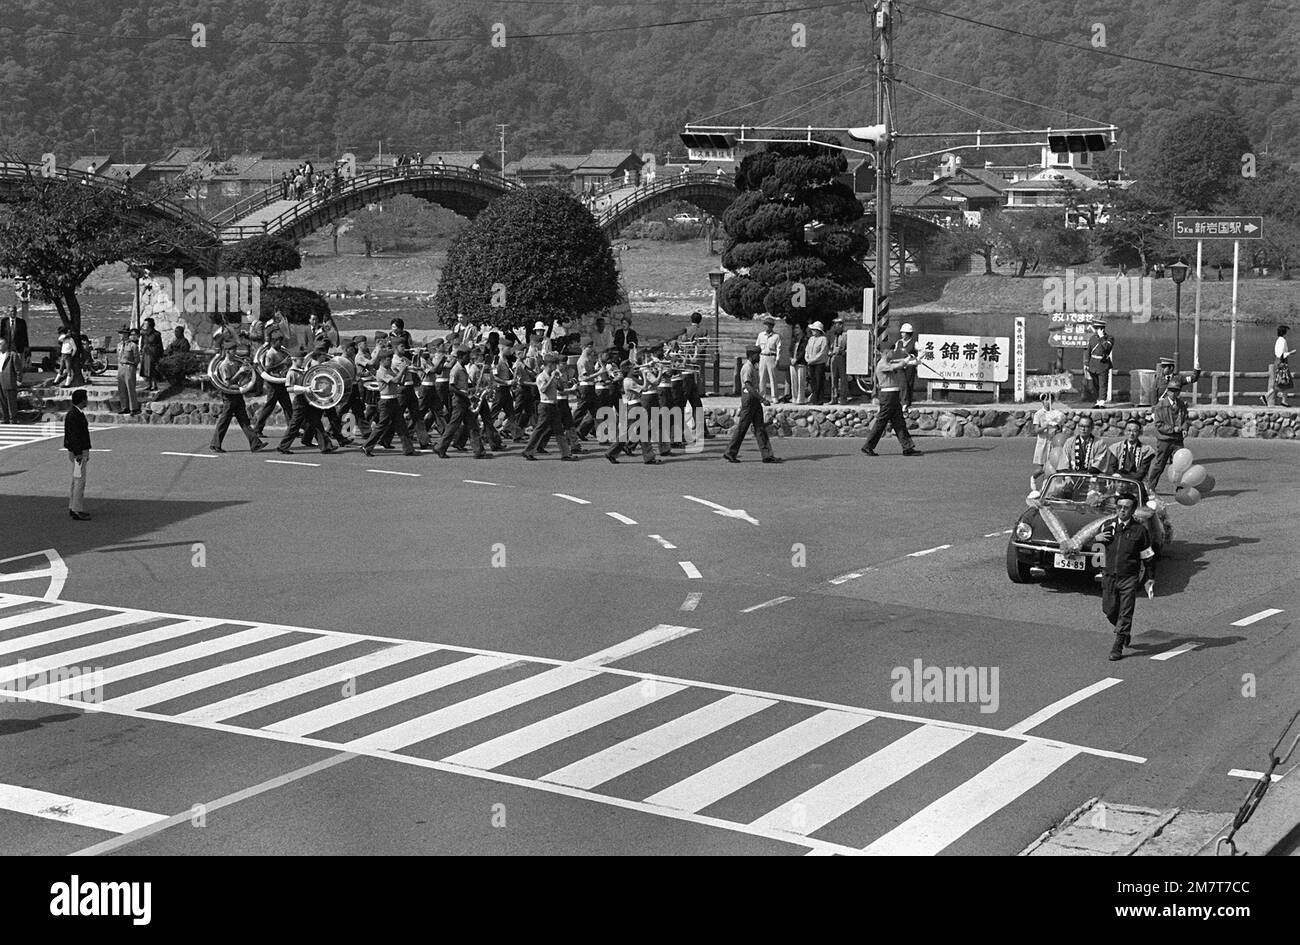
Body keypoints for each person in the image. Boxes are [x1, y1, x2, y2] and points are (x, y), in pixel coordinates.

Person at [1095, 492, 1156, 661]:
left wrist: (1150, 577)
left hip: (1129, 577)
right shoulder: (1107, 525)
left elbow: (1148, 556)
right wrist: (1096, 539)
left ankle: (1118, 644)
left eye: (1126, 508)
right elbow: (1097, 552)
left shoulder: (1139, 530)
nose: (1122, 511)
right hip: (1109, 576)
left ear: (1133, 510)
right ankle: (1124, 630)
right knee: (1109, 610)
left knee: (1125, 612)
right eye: (1119, 507)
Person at [724, 346, 781, 464]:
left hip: (754, 399)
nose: (759, 357)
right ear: (751, 355)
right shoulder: (747, 368)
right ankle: (730, 452)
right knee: (742, 428)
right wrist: (762, 399)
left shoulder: (753, 367)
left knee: (760, 428)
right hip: (749, 400)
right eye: (757, 355)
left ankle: (767, 455)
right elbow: (748, 386)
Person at [861, 348, 922, 457]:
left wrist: (914, 361)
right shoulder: (882, 364)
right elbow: (898, 365)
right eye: (891, 352)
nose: (893, 354)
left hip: (893, 396)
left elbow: (900, 364)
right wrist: (908, 359)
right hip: (887, 396)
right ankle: (868, 446)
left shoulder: (887, 363)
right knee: (881, 422)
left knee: (899, 423)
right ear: (886, 353)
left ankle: (907, 447)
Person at [436, 345, 490, 459]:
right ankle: (440, 447)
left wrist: (471, 393)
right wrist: (464, 394)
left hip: (464, 401)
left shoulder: (462, 368)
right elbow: (451, 387)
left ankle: (479, 451)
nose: (469, 359)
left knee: (473, 426)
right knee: (453, 426)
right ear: (460, 356)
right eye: (467, 356)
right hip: (459, 401)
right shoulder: (456, 369)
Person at [362, 347, 416, 457]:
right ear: (381, 361)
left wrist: (404, 372)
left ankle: (408, 449)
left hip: (394, 399)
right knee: (381, 425)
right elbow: (395, 380)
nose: (390, 361)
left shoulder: (389, 370)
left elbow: (399, 382)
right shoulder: (381, 372)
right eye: (388, 359)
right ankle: (367, 446)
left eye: (390, 359)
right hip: (386, 401)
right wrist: (402, 370)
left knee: (401, 425)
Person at [523, 353, 576, 461]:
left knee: (559, 430)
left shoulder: (554, 375)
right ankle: (528, 451)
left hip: (554, 405)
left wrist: (558, 379)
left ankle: (565, 454)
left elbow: (560, 389)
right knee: (539, 430)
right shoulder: (541, 377)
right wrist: (552, 378)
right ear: (549, 365)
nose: (556, 367)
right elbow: (543, 389)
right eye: (554, 365)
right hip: (545, 405)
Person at [209, 359, 267, 453]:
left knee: (244, 420)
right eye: (233, 350)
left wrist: (247, 372)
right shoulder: (224, 365)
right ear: (227, 351)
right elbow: (228, 383)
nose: (235, 352)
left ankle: (255, 444)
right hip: (229, 395)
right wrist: (239, 371)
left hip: (237, 393)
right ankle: (215, 445)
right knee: (225, 420)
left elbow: (238, 380)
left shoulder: (235, 363)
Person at [1146, 376, 1189, 494]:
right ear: (1168, 391)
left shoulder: (1182, 405)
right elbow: (1159, 425)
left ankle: (1180, 487)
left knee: (1181, 465)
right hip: (1164, 440)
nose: (1174, 393)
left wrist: (1185, 428)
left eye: (1177, 391)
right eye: (1172, 391)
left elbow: (1186, 419)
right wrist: (1172, 429)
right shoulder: (1160, 406)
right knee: (1160, 465)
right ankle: (1150, 487)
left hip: (1178, 440)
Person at [64, 388, 92, 520]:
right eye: (85, 398)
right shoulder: (75, 415)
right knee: (79, 481)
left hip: (77, 451)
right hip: (78, 452)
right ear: (82, 400)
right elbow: (75, 436)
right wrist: (79, 453)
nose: (87, 400)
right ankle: (76, 509)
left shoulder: (73, 413)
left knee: (76, 480)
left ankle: (73, 506)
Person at [1264, 324, 1293, 407]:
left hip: (1279, 361)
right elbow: (1281, 354)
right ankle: (1283, 401)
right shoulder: (1282, 341)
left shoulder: (1278, 340)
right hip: (1281, 362)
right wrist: (1290, 353)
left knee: (1280, 382)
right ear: (1284, 332)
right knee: (1285, 382)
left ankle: (1267, 397)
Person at [115, 326, 141, 415]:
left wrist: (133, 366)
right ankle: (124, 407)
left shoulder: (133, 345)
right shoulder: (119, 345)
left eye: (121, 333)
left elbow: (137, 358)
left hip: (129, 366)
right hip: (121, 367)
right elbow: (118, 357)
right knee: (121, 388)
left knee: (130, 387)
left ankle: (133, 408)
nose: (120, 335)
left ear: (126, 334)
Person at [756, 315, 781, 401]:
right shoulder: (760, 335)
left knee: (773, 378)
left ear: (772, 326)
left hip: (771, 356)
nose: (767, 326)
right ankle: (762, 396)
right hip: (762, 356)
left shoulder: (776, 336)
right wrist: (756, 359)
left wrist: (777, 359)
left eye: (769, 325)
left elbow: (779, 348)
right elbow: (757, 347)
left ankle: (774, 397)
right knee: (761, 377)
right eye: (766, 324)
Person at [1088, 320, 1113, 408]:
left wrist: (1102, 337)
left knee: (1103, 383)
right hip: (1093, 364)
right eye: (1096, 328)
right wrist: (1087, 363)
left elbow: (1107, 347)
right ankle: (1097, 401)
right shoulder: (1092, 338)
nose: (1096, 330)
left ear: (1102, 329)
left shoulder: (1109, 338)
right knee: (1095, 384)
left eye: (1098, 328)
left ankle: (1102, 402)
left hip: (1103, 364)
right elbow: (1088, 351)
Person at [893, 323, 918, 409]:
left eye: (904, 332)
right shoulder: (898, 342)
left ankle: (908, 402)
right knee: (902, 384)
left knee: (909, 384)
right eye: (901, 332)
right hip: (900, 366)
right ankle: (903, 401)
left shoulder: (914, 343)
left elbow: (923, 351)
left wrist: (915, 358)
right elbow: (894, 352)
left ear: (908, 333)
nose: (902, 334)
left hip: (910, 366)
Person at [804, 321, 830, 405]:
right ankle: (814, 397)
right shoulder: (811, 339)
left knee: (819, 381)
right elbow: (807, 349)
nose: (812, 331)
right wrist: (807, 358)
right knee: (812, 381)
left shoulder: (823, 339)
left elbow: (822, 352)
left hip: (819, 363)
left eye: (814, 329)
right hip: (811, 363)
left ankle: (818, 399)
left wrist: (813, 360)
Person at [139, 317, 164, 392]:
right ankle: (149, 384)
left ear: (150, 324)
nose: (144, 325)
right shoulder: (143, 334)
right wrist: (141, 349)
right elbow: (142, 342)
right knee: (146, 369)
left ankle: (154, 385)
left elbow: (160, 345)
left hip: (153, 353)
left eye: (146, 323)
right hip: (146, 352)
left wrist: (160, 354)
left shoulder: (156, 334)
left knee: (153, 369)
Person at [829, 317, 848, 405]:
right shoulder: (833, 335)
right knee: (833, 378)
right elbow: (830, 347)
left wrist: (842, 352)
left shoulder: (845, 335)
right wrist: (830, 352)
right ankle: (834, 398)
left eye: (836, 324)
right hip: (833, 357)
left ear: (841, 325)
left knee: (843, 378)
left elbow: (849, 348)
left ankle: (843, 398)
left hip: (842, 357)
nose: (835, 326)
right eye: (834, 324)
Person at [0, 338, 20, 423]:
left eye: (1, 344)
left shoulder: (12, 355)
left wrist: (19, 379)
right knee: (2, 400)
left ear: (6, 345)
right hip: (0, 377)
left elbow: (18, 368)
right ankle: (5, 418)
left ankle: (13, 418)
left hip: (9, 378)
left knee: (11, 400)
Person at [789, 324, 807, 405]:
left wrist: (796, 359)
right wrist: (791, 358)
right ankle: (794, 398)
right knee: (794, 381)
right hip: (792, 363)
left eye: (797, 328)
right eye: (794, 328)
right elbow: (790, 350)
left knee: (801, 381)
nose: (795, 330)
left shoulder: (805, 340)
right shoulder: (793, 340)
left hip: (801, 363)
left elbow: (803, 352)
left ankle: (800, 399)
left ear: (801, 329)